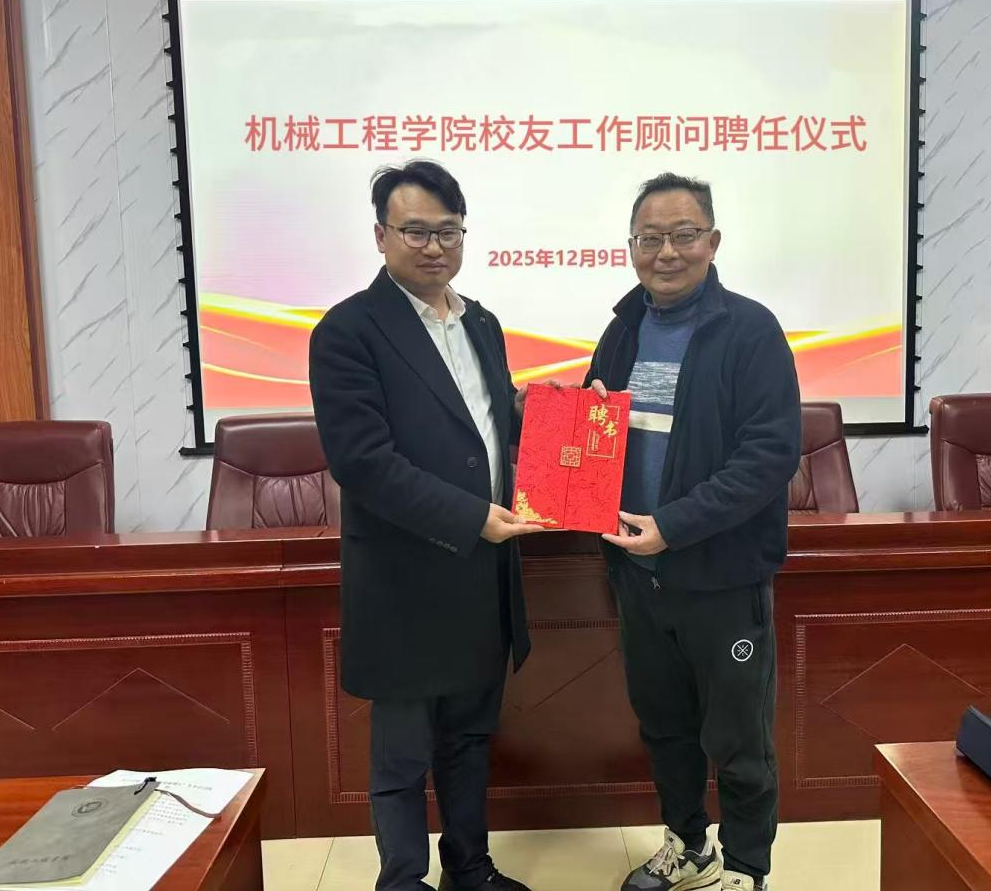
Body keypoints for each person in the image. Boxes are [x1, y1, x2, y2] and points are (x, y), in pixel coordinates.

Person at [308, 159, 538, 891]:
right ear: (381, 236)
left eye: (448, 231)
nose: (434, 246)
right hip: (405, 579)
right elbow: (363, 462)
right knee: (402, 758)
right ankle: (403, 880)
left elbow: (491, 427)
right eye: (416, 231)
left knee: (469, 740)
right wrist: (471, 517)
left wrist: (572, 419)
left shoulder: (483, 324)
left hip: (483, 576)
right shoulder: (349, 331)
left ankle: (471, 870)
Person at [587, 173, 802, 891]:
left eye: (683, 236)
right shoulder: (622, 331)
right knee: (665, 729)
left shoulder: (751, 331)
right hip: (638, 575)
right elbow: (595, 433)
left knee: (739, 741)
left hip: (721, 579)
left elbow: (769, 455)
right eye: (650, 238)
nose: (667, 253)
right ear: (631, 247)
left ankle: (745, 869)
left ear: (713, 241)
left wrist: (673, 526)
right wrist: (572, 415)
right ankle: (688, 846)